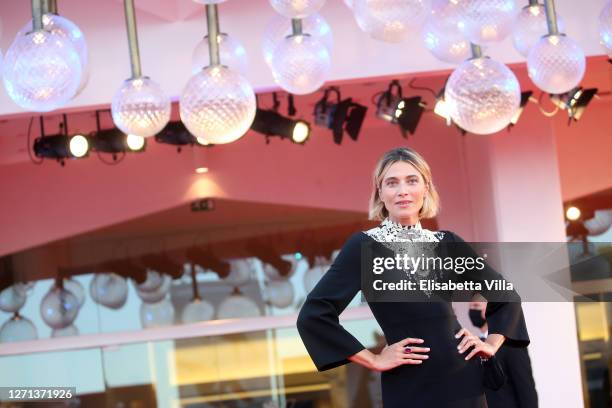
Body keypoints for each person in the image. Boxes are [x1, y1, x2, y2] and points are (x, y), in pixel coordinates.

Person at [296, 147, 530, 408]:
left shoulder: (446, 243)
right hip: (408, 384)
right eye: (392, 183)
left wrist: (491, 342)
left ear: (426, 189)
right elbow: (313, 316)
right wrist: (373, 360)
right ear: (380, 193)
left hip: (463, 377)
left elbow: (506, 296)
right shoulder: (364, 248)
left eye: (412, 180)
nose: (402, 191)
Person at [468, 300, 538, 408]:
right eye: (471, 307)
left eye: (476, 305)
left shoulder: (511, 345)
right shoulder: (473, 344)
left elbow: (525, 388)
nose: (472, 310)